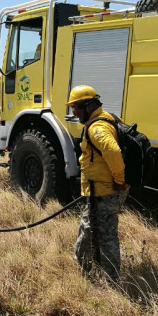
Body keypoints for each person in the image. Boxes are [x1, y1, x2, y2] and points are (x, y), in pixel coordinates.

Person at [66, 85, 128, 283]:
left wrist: (119, 180)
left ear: (88, 105)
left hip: (104, 191)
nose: (74, 113)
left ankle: (104, 279)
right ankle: (96, 270)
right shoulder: (108, 118)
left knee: (97, 233)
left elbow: (113, 151)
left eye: (76, 107)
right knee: (99, 230)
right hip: (104, 190)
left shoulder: (97, 128)